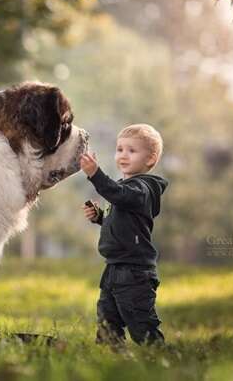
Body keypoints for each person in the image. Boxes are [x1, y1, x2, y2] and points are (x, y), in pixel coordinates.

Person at [80, 123, 168, 347]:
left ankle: (162, 359)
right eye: (120, 149)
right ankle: (113, 362)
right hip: (113, 268)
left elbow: (120, 195)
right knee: (107, 323)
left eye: (132, 150)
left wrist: (95, 175)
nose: (123, 155)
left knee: (142, 326)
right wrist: (99, 217)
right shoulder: (125, 188)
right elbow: (122, 218)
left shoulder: (144, 188)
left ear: (150, 159)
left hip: (134, 272)